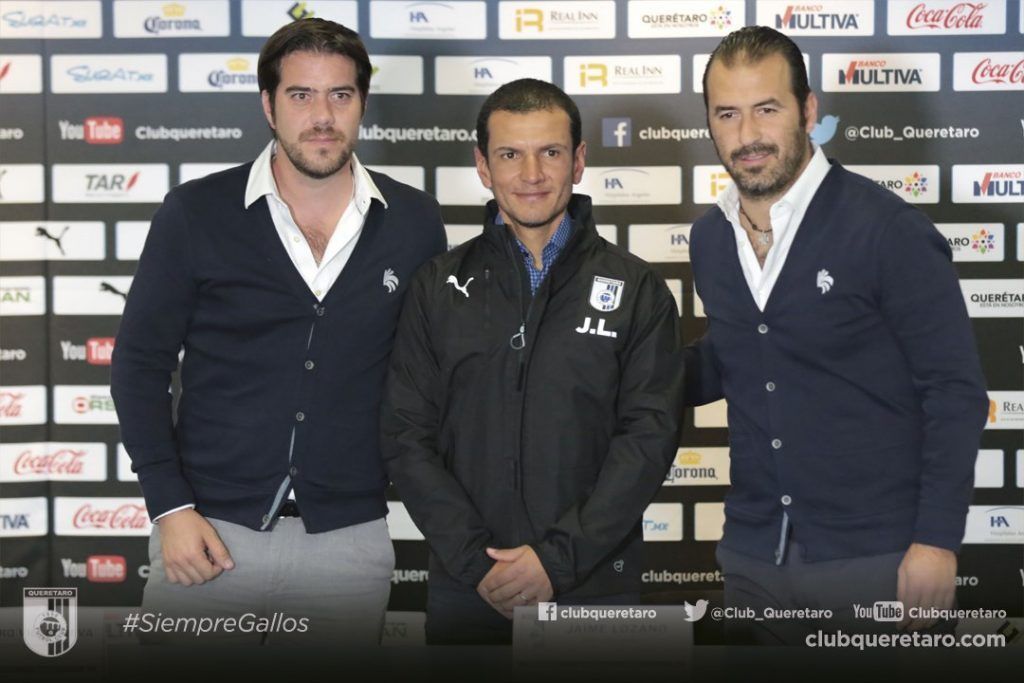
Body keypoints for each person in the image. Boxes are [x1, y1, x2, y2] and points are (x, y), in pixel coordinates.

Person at [110, 18, 446, 646]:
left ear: (362, 105)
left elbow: (428, 377)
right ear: (268, 105)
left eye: (340, 96)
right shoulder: (196, 212)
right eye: (301, 95)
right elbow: (138, 365)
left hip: (349, 544)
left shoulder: (415, 222)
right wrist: (171, 509)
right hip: (209, 536)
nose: (322, 116)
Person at [685, 26, 989, 644]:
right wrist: (609, 366)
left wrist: (936, 540)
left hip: (875, 558)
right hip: (752, 553)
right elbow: (741, 354)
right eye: (728, 114)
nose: (747, 136)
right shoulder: (710, 238)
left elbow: (955, 392)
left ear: (809, 111)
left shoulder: (888, 229)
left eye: (767, 109)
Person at [379, 78, 684, 645]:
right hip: (471, 590)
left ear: (579, 161)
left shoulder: (637, 287)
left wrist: (556, 561)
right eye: (510, 155)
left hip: (596, 587)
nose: (532, 174)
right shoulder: (436, 287)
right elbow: (406, 435)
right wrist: (478, 562)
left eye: (550, 152)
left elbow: (648, 437)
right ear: (482, 165)